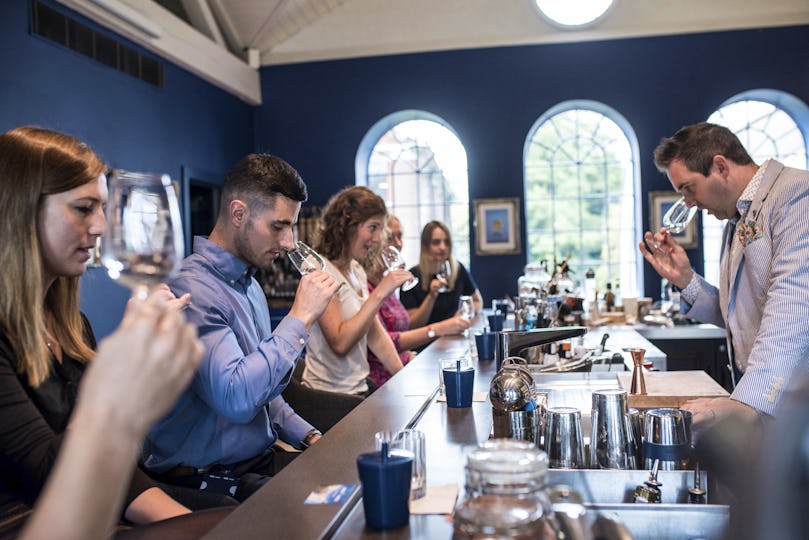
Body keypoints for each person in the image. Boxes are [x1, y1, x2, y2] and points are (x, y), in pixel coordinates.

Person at [0, 126, 221, 532]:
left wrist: (185, 525)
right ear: (21, 210)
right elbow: (46, 473)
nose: (101, 227)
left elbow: (118, 464)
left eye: (103, 208)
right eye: (84, 208)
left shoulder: (71, 327)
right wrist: (114, 384)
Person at [144, 154, 341, 501]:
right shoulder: (190, 290)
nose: (288, 242)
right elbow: (236, 397)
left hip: (258, 464)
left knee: (353, 478)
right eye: (278, 226)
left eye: (290, 227)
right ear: (238, 214)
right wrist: (300, 317)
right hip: (208, 481)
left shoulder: (249, 286)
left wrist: (307, 436)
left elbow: (265, 392)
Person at [639, 122, 809, 429]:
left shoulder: (797, 193)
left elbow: (793, 309)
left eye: (688, 188)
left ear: (720, 166)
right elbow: (740, 314)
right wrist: (686, 280)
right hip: (768, 408)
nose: (688, 202)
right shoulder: (736, 216)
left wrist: (745, 402)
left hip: (795, 410)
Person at [20, 295, 205, 540]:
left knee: (231, 514)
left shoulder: (75, 324)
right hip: (43, 514)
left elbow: (109, 454)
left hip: (108, 490)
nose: (92, 253)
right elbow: (48, 471)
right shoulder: (9, 339)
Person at [302, 187, 411, 395]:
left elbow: (375, 335)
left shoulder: (357, 269)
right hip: (327, 397)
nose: (378, 238)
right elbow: (340, 343)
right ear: (348, 225)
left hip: (357, 390)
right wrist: (380, 293)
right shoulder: (319, 270)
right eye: (373, 228)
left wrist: (403, 377)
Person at [362, 216, 472, 386]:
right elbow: (386, 340)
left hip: (410, 365)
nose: (398, 244)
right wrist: (440, 327)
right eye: (391, 237)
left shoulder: (387, 285)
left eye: (400, 236)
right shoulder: (368, 287)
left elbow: (476, 300)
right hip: (386, 381)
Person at [400, 220, 483, 328]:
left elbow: (477, 301)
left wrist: (464, 311)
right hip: (427, 342)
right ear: (426, 245)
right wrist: (431, 296)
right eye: (436, 242)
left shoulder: (458, 269)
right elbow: (413, 324)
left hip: (454, 336)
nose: (443, 247)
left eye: (446, 242)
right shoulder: (411, 277)